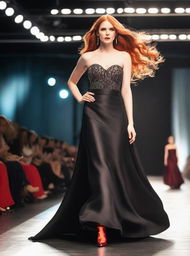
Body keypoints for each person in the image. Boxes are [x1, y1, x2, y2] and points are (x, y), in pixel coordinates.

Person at [29, 14, 170, 247]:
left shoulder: (124, 56)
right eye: (102, 29)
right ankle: (100, 224)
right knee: (99, 166)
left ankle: (112, 218)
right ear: (96, 33)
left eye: (110, 30)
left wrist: (131, 122)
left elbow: (126, 90)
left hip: (115, 116)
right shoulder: (87, 57)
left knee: (113, 165)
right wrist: (79, 97)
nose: (107, 33)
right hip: (93, 114)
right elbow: (72, 81)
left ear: (115, 33)